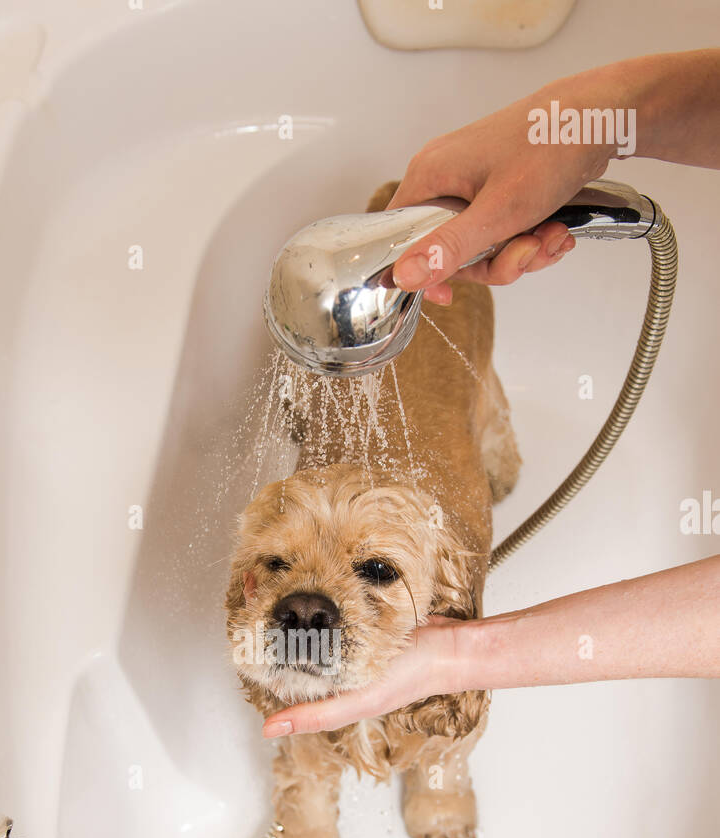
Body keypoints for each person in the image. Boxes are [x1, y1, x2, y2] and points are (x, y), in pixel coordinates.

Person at [262, 49, 720, 740]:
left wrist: (461, 653)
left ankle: (487, 433)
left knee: (468, 399)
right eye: (272, 563)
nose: (304, 607)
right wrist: (578, 120)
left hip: (447, 343)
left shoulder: (449, 576)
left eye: (380, 570)